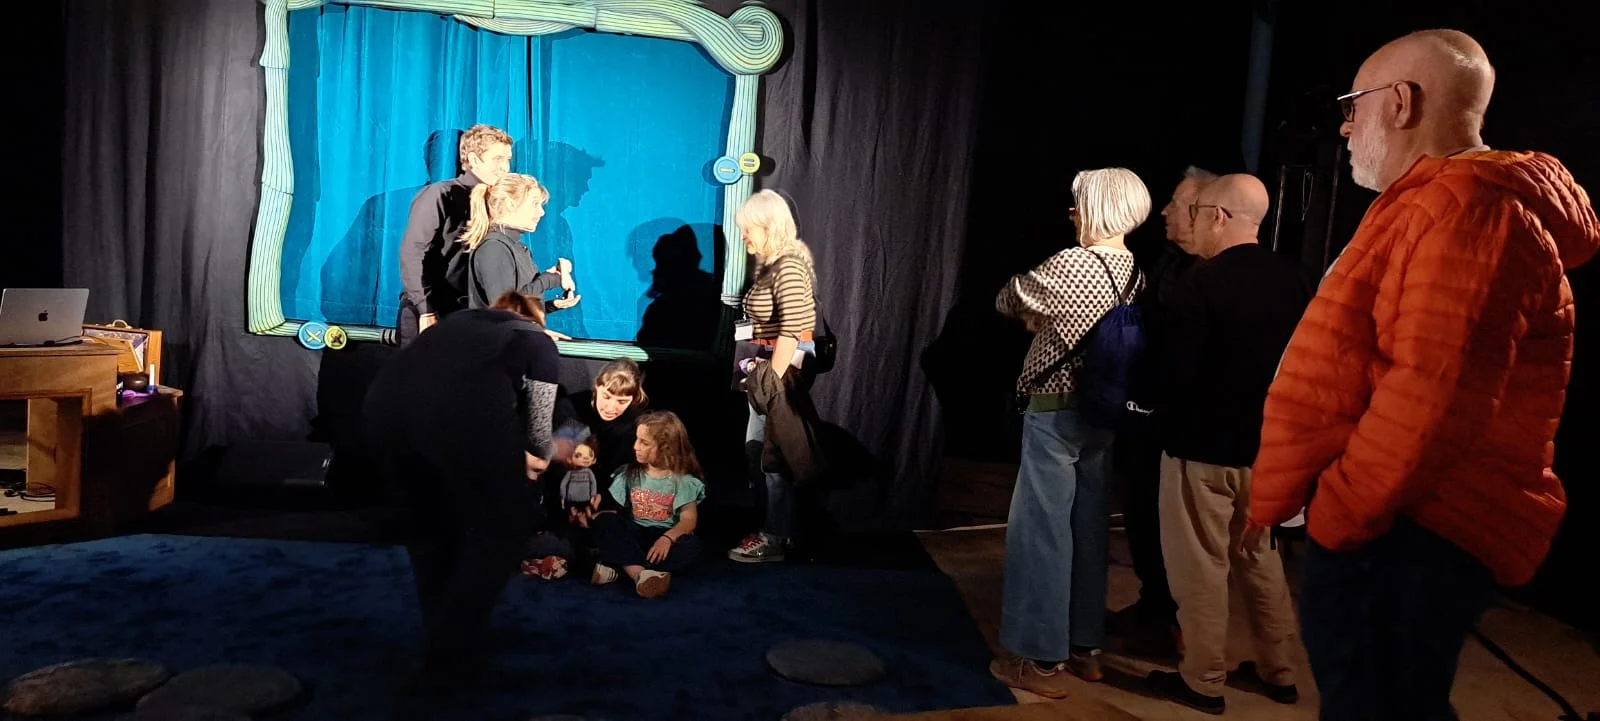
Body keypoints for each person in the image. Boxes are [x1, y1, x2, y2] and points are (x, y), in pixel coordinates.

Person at [1248, 29, 1599, 721]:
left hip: (1405, 531)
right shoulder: (1439, 204)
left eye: (1353, 105)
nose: (1345, 126)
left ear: (1402, 102)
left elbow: (1432, 398)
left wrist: (1338, 514)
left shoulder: (1471, 210)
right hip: (1398, 525)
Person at [1144, 174, 1309, 714]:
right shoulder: (1295, 280)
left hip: (1201, 450)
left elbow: (1176, 374)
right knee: (1261, 559)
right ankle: (1280, 671)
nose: (1190, 221)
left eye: (1197, 212)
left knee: (1200, 567)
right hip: (1267, 451)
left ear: (1218, 216)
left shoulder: (1202, 283)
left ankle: (1202, 680)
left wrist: (1150, 411)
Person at [989, 168, 1149, 697]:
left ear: (1100, 207)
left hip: (1055, 409)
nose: (1073, 212)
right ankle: (1086, 647)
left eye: (1079, 203)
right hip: (1104, 413)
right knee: (1089, 530)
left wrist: (1035, 317)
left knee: (1042, 532)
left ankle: (1040, 659)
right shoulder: (1135, 271)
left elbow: (1009, 298)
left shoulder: (1072, 262)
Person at [362, 290, 570, 682]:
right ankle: (453, 650)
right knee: (505, 529)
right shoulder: (537, 341)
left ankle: (442, 642)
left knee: (431, 533)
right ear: (536, 319)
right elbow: (539, 437)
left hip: (382, 411)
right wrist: (558, 447)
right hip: (456, 420)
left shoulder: (459, 325)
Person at [1107, 165, 1217, 658]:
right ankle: (1154, 607)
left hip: (1178, 426)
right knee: (1141, 512)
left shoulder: (1207, 277)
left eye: (1175, 202)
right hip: (1148, 418)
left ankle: (1173, 627)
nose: (1165, 211)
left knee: (1168, 526)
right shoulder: (1171, 263)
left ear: (1202, 213)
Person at [727, 190, 822, 564]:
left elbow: (793, 331)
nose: (743, 236)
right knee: (760, 453)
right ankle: (778, 529)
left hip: (779, 373)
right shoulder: (775, 265)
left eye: (748, 229)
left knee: (772, 456)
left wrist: (770, 383)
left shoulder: (788, 267)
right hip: (768, 369)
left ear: (768, 227)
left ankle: (775, 537)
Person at [396, 124, 513, 344]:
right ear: (474, 159)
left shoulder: (498, 203)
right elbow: (412, 253)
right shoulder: (439, 195)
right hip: (433, 312)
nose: (505, 167)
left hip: (473, 316)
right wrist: (426, 310)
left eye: (508, 159)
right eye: (498, 159)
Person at [585, 411, 707, 599]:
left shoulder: (683, 481)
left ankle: (620, 567)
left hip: (664, 537)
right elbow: (617, 512)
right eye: (636, 440)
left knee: (691, 546)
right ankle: (640, 575)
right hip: (634, 533)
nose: (635, 446)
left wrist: (667, 539)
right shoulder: (629, 473)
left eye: (644, 442)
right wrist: (597, 516)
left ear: (666, 447)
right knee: (605, 523)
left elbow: (688, 521)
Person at [459, 173, 580, 318]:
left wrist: (551, 305)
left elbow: (517, 309)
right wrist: (549, 279)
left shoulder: (514, 247)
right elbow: (504, 310)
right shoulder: (493, 248)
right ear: (511, 204)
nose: (541, 212)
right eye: (534, 204)